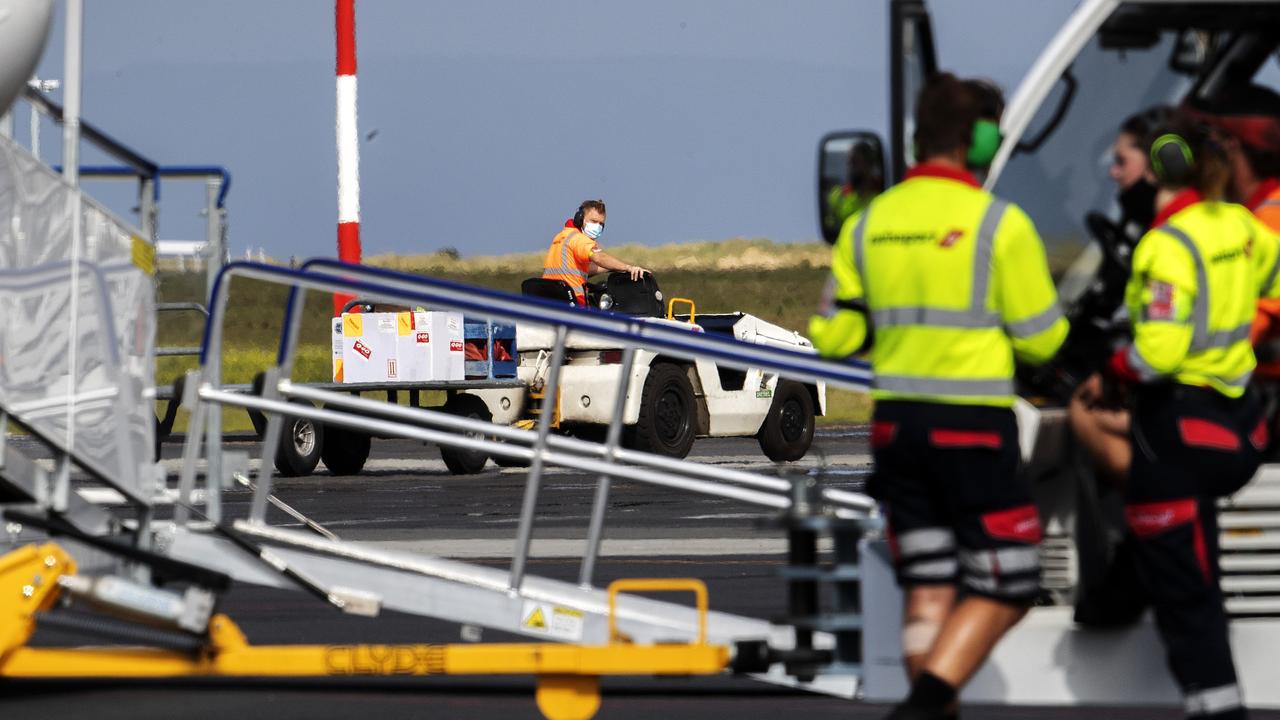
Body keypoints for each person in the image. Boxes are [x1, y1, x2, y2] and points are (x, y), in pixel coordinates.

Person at [808, 73, 1068, 720]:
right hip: (973, 430)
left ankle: (929, 707)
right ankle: (923, 708)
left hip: (897, 432)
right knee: (1010, 582)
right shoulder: (998, 224)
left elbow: (834, 336)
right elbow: (1043, 341)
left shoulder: (867, 226)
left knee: (928, 587)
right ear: (979, 142)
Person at [1106, 116, 1280, 719]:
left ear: (1162, 163)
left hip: (1181, 433)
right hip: (1241, 421)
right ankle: (1120, 583)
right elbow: (1271, 283)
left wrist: (1114, 369)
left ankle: (1217, 707)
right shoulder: (1244, 226)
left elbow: (1156, 353)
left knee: (1188, 596)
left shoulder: (1166, 245)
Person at [542, 199, 648, 305]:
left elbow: (578, 269)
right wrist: (628, 268)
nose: (597, 226)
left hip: (550, 298)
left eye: (601, 224)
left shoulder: (561, 236)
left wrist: (614, 267)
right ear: (580, 219)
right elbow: (598, 258)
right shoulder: (579, 239)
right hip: (574, 302)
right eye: (593, 221)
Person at [824, 142, 882, 235]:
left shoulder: (884, 194)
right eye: (849, 162)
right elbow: (830, 229)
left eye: (855, 161)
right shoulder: (838, 196)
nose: (850, 167)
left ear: (869, 164)